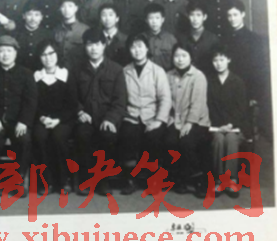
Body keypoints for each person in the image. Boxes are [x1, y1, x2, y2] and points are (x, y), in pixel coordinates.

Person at [0, 35, 37, 195]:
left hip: (18, 122)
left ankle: (18, 181)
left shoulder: (26, 74)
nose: (5, 54)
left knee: (24, 140)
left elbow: (31, 101)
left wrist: (23, 122)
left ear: (16, 53)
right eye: (1, 51)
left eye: (9, 51)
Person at [70, 29, 127, 196]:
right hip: (85, 117)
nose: (93, 48)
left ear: (104, 45)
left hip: (106, 117)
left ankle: (103, 180)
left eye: (97, 44)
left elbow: (120, 101)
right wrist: (79, 112)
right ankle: (85, 178)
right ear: (84, 47)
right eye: (89, 45)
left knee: (108, 136)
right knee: (82, 135)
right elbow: (71, 97)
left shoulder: (116, 69)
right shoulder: (76, 69)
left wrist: (111, 119)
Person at [120, 33, 172, 194]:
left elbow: (165, 98)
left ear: (147, 48)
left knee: (154, 137)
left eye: (140, 46)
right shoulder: (124, 71)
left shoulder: (158, 71)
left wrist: (159, 120)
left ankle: (153, 179)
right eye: (133, 47)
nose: (137, 50)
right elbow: (120, 98)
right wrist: (126, 116)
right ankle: (131, 179)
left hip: (152, 116)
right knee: (128, 135)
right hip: (131, 115)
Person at [165, 42, 211, 197]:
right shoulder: (168, 75)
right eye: (177, 56)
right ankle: (180, 178)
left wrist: (189, 123)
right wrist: (170, 120)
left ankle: (200, 179)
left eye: (184, 56)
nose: (180, 59)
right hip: (175, 119)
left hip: (197, 121)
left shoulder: (198, 76)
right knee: (170, 141)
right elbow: (166, 100)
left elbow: (198, 103)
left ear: (191, 58)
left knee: (186, 141)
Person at [32, 39, 76, 194]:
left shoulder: (66, 75)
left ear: (57, 54)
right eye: (43, 55)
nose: (48, 58)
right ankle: (45, 181)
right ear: (39, 57)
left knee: (59, 137)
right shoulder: (35, 76)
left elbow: (72, 105)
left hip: (63, 120)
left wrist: (58, 120)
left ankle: (64, 180)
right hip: (41, 118)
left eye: (51, 53)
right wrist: (42, 118)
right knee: (39, 137)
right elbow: (33, 103)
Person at [207, 45, 251, 198]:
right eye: (215, 60)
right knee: (219, 139)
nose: (218, 63)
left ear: (229, 60)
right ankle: (219, 180)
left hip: (235, 126)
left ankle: (232, 179)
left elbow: (241, 108)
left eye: (222, 59)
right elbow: (208, 106)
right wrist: (219, 126)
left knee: (231, 139)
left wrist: (230, 124)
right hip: (216, 126)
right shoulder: (209, 81)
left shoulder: (237, 81)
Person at [223, 0, 272, 131]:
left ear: (243, 14)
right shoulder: (224, 38)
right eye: (229, 15)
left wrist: (255, 95)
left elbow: (259, 69)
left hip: (247, 90)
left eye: (235, 15)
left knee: (246, 130)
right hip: (228, 88)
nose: (232, 19)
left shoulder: (254, 39)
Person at [176, 1, 220, 75]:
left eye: (198, 15)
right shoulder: (181, 38)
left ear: (205, 17)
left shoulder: (213, 39)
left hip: (207, 77)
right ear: (188, 16)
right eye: (192, 15)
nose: (195, 19)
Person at [53, 0, 89, 71]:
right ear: (60, 9)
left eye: (70, 6)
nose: (66, 10)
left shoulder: (85, 30)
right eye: (63, 6)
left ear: (76, 8)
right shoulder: (56, 30)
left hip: (79, 71)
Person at [16, 0, 51, 71]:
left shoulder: (48, 35)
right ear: (23, 16)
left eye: (37, 15)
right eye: (29, 14)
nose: (33, 19)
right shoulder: (15, 34)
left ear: (41, 17)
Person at [143, 3, 177, 71]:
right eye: (151, 18)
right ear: (146, 20)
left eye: (157, 18)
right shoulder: (142, 38)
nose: (154, 21)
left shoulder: (171, 39)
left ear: (162, 20)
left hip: (167, 74)